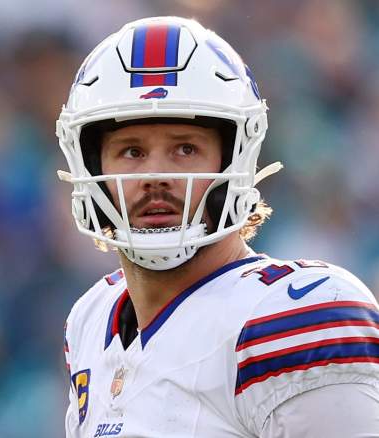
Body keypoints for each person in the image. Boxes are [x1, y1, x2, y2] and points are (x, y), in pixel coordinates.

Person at [56, 16, 379, 438]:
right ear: (92, 166)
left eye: (185, 149)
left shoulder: (295, 318)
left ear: (234, 161)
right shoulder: (92, 317)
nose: (156, 175)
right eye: (131, 151)